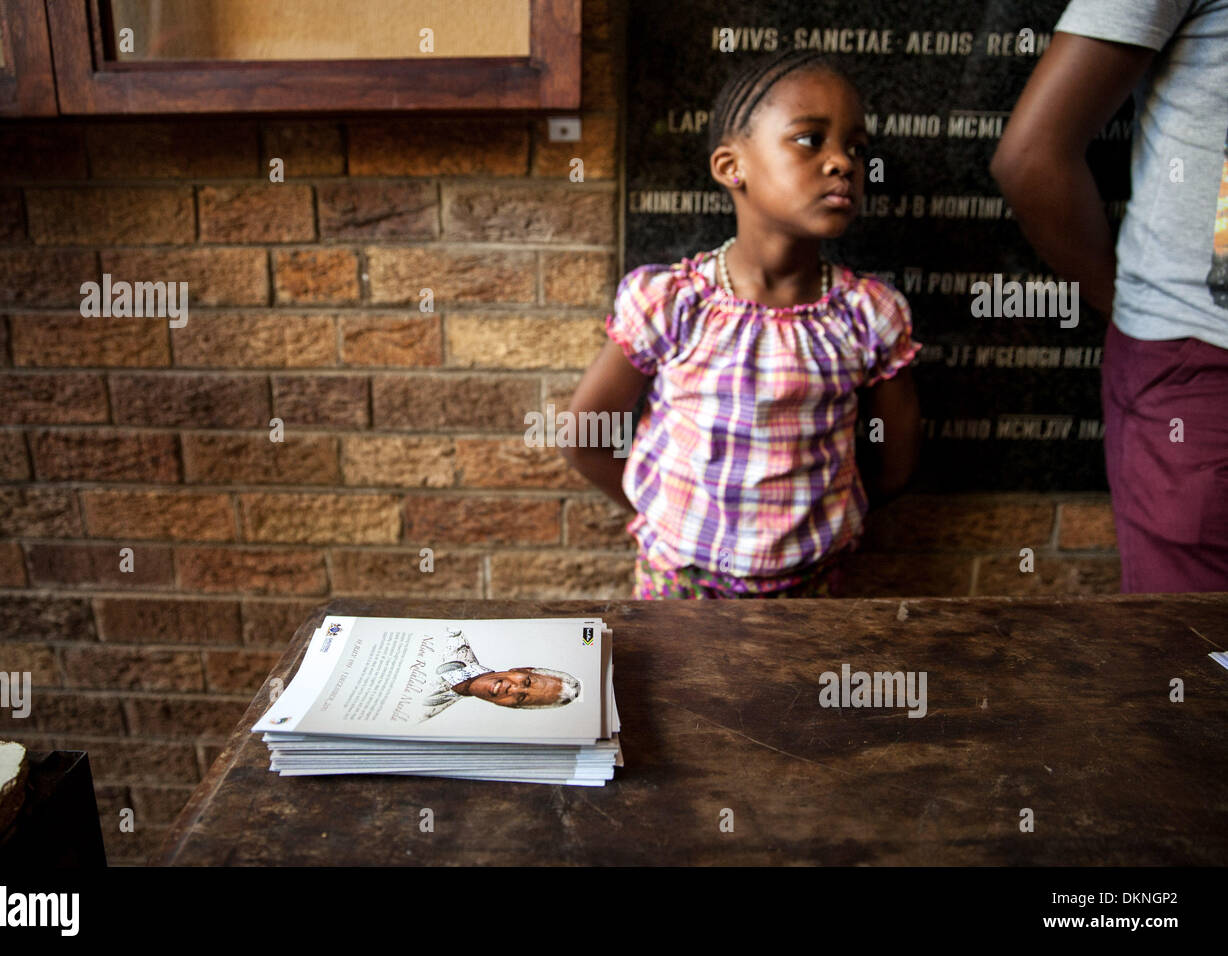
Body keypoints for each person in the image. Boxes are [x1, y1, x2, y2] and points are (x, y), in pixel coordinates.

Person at [561, 49, 922, 599]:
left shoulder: (867, 314)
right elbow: (585, 435)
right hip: (681, 587)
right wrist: (666, 513)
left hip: (813, 588)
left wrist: (819, 524)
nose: (843, 163)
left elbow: (892, 463)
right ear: (733, 167)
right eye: (810, 139)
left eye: (856, 148)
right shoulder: (675, 303)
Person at [991, 0, 1228, 592]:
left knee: (1188, 664)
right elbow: (1032, 159)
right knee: (1192, 662)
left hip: (1193, 360)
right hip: (1201, 363)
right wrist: (1125, 302)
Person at [421, 629, 580, 721]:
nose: (513, 690)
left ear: (508, 706)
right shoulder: (450, 635)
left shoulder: (423, 715)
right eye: (527, 682)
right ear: (523, 669)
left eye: (521, 698)